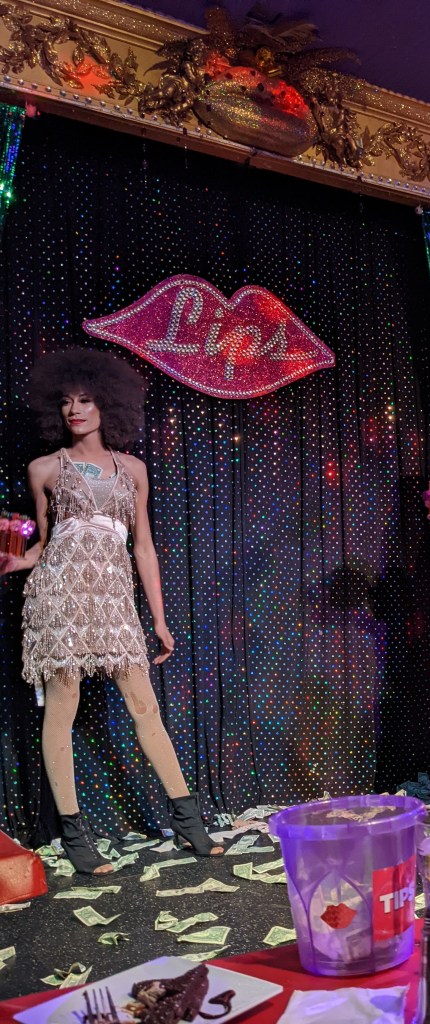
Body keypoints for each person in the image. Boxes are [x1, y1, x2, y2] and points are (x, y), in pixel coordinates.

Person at [2, 348, 223, 873]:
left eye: (86, 400)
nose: (75, 410)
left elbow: (142, 547)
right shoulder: (43, 469)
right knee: (63, 706)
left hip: (114, 601)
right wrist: (14, 562)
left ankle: (189, 820)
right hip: (58, 596)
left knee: (145, 708)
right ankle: (77, 838)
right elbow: (40, 546)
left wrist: (160, 620)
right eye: (66, 402)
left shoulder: (134, 470)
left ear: (108, 405)